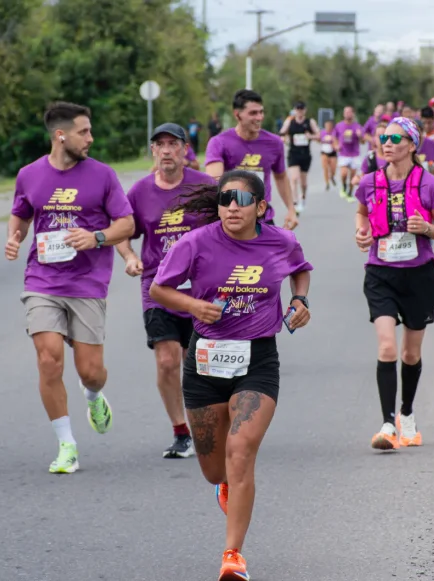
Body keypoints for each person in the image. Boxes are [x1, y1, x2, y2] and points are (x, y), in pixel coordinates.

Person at [149, 169, 312, 581]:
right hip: (205, 363)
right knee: (214, 470)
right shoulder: (196, 242)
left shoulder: (280, 241)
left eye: (241, 199)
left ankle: (232, 555)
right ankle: (225, 486)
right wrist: (193, 306)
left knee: (241, 451)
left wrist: (300, 299)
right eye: (225, 199)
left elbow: (300, 268)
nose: (232, 207)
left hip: (258, 360)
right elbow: (158, 289)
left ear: (261, 207)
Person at [4, 101, 135, 474]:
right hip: (42, 280)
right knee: (48, 359)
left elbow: (125, 224)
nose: (90, 138)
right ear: (60, 136)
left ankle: (93, 397)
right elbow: (21, 213)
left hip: (87, 282)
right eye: (84, 132)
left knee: (91, 371)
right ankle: (67, 445)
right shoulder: (29, 175)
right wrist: (14, 239)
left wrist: (96, 236)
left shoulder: (103, 175)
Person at [116, 123, 217, 458]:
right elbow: (122, 231)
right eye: (160, 145)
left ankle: (210, 421)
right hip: (158, 288)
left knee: (199, 363)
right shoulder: (140, 192)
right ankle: (181, 432)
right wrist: (130, 257)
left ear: (185, 150)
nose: (167, 150)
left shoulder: (206, 187)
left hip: (201, 290)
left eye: (174, 144)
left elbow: (233, 221)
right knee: (167, 360)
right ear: (153, 151)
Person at [353, 117, 434, 452]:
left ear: (412, 144)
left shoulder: (429, 184)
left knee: (410, 353)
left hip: (419, 276)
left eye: (395, 138)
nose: (387, 143)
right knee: (387, 349)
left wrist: (425, 227)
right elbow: (362, 212)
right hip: (380, 275)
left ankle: (407, 415)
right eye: (384, 138)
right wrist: (362, 231)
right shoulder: (370, 181)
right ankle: (387, 424)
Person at [205, 89, 299, 230]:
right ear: (237, 114)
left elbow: (281, 177)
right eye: (253, 113)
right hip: (232, 220)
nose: (259, 117)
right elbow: (214, 182)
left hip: (262, 220)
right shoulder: (219, 143)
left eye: (261, 112)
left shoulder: (274, 143)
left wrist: (291, 210)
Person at [278, 101, 320, 214]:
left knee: (303, 183)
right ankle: (295, 202)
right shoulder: (290, 121)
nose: (299, 111)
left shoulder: (309, 122)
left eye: (301, 109)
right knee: (294, 178)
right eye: (297, 109)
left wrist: (310, 136)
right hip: (293, 153)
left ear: (305, 110)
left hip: (305, 155)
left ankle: (303, 197)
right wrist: (284, 138)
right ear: (294, 110)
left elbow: (319, 135)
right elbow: (281, 132)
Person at [334, 105, 365, 200]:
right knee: (343, 174)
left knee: (352, 176)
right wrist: (336, 146)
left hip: (354, 154)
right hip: (343, 153)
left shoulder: (357, 126)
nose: (348, 114)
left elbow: (363, 142)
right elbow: (334, 137)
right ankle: (344, 187)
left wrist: (360, 136)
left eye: (349, 112)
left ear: (353, 113)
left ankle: (350, 193)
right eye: (346, 112)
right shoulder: (339, 125)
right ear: (343, 114)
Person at [320, 119, 338, 190]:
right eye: (326, 125)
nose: (327, 127)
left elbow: (336, 141)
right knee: (325, 168)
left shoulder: (334, 133)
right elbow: (319, 139)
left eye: (329, 125)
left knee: (333, 168)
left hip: (332, 152)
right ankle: (327, 183)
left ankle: (332, 177)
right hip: (324, 152)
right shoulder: (322, 132)